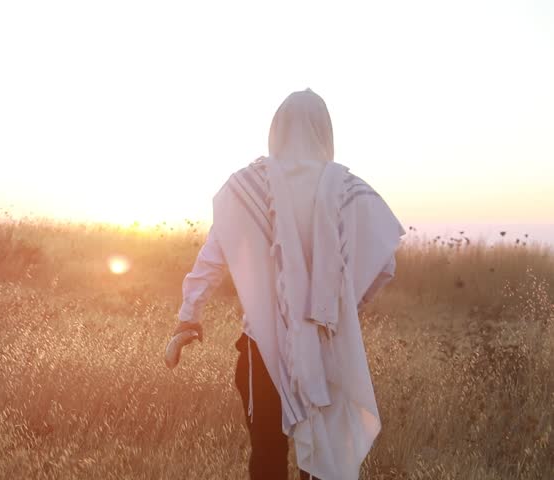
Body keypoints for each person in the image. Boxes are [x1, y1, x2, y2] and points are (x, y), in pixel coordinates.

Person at [172, 89, 404, 480]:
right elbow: (385, 265)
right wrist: (341, 309)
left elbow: (213, 257)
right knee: (324, 458)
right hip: (327, 345)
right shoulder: (349, 191)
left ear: (275, 129)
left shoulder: (248, 187)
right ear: (324, 130)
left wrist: (188, 317)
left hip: (261, 348)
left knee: (266, 454)